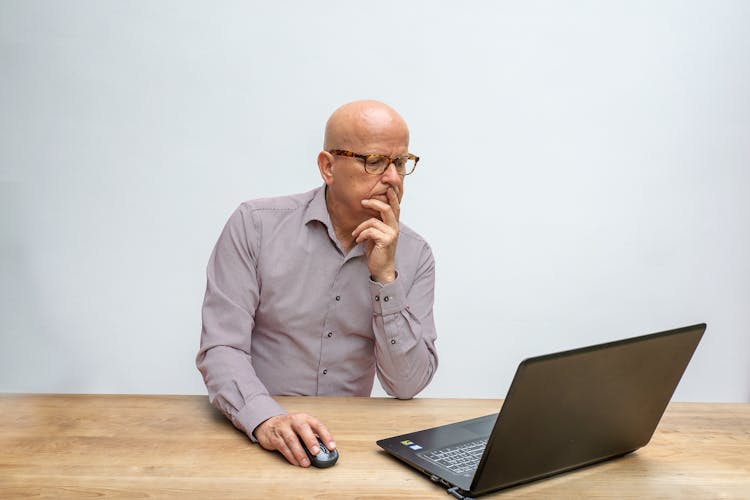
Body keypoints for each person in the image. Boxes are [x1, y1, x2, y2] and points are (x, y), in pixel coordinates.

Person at [196, 100, 438, 467]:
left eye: (401, 163)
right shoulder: (255, 226)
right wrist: (266, 418)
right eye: (374, 161)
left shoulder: (415, 255)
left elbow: (407, 385)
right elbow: (221, 347)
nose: (391, 178)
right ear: (328, 166)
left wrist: (385, 277)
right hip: (256, 430)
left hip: (351, 444)